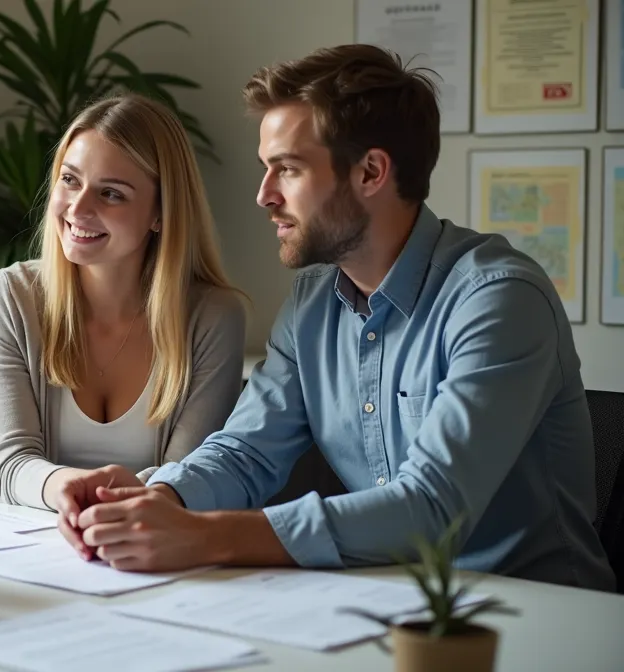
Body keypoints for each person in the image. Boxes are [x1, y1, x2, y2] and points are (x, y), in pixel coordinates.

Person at [52, 44, 616, 592]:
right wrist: (160, 498)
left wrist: (205, 536)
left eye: (288, 169)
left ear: (371, 172)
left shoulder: (498, 300)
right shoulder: (313, 302)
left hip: (532, 612)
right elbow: (247, 451)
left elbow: (432, 507)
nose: (264, 196)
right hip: (383, 602)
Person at [0, 93, 248, 513]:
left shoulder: (213, 317)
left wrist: (105, 504)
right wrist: (67, 488)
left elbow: (186, 475)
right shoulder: (12, 296)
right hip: (21, 546)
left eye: (112, 194)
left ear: (161, 214)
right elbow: (10, 464)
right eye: (70, 180)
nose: (78, 208)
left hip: (146, 540)